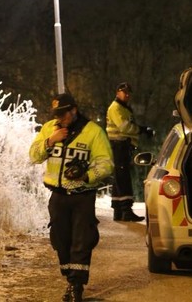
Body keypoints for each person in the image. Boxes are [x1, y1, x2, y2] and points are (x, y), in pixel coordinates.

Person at [29, 93, 113, 302]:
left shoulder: (93, 132)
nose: (60, 118)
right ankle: (69, 278)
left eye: (63, 114)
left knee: (81, 242)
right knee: (60, 240)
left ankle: (77, 286)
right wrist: (50, 141)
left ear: (74, 110)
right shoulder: (50, 128)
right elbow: (34, 156)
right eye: (57, 114)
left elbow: (106, 163)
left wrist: (86, 175)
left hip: (82, 196)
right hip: (58, 197)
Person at [106, 82, 154, 222]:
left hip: (122, 146)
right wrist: (142, 129)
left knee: (119, 178)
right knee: (123, 178)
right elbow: (125, 128)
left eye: (128, 92)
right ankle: (126, 211)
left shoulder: (123, 108)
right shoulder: (116, 108)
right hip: (118, 145)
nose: (127, 94)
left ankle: (118, 210)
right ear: (117, 92)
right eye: (124, 92)